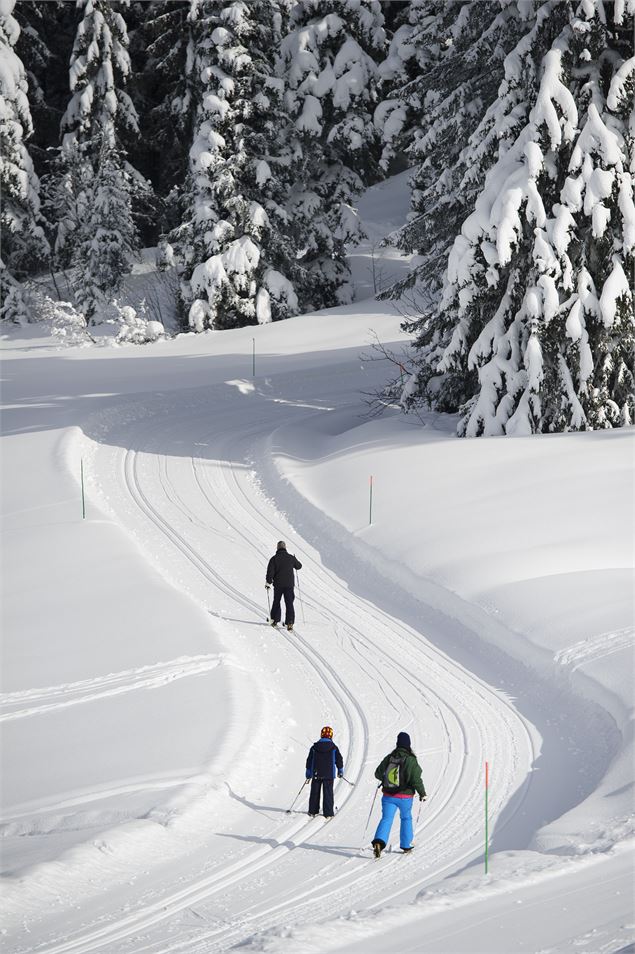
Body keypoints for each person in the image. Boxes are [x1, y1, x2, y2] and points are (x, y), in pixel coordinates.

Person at [372, 731, 426, 857]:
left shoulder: (390, 757)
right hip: (405, 797)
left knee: (386, 818)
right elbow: (416, 779)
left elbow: (378, 773)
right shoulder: (411, 760)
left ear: (397, 744)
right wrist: (422, 793)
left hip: (388, 796)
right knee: (406, 818)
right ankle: (406, 845)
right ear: (408, 744)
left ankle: (379, 842)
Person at [305, 726, 344, 818]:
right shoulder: (334, 747)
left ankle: (312, 811)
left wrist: (308, 773)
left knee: (315, 792)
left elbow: (309, 760)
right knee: (328, 793)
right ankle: (328, 813)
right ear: (331, 736)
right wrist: (340, 770)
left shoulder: (314, 747)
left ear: (321, 735)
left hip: (316, 773)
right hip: (329, 774)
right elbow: (339, 759)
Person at [266, 540, 302, 631]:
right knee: (289, 603)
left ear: (277, 548)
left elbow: (270, 572)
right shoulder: (291, 558)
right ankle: (289, 622)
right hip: (289, 585)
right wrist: (295, 559)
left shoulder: (274, 559)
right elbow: (299, 566)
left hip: (278, 584)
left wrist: (268, 582)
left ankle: (274, 620)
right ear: (285, 548)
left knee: (276, 601)